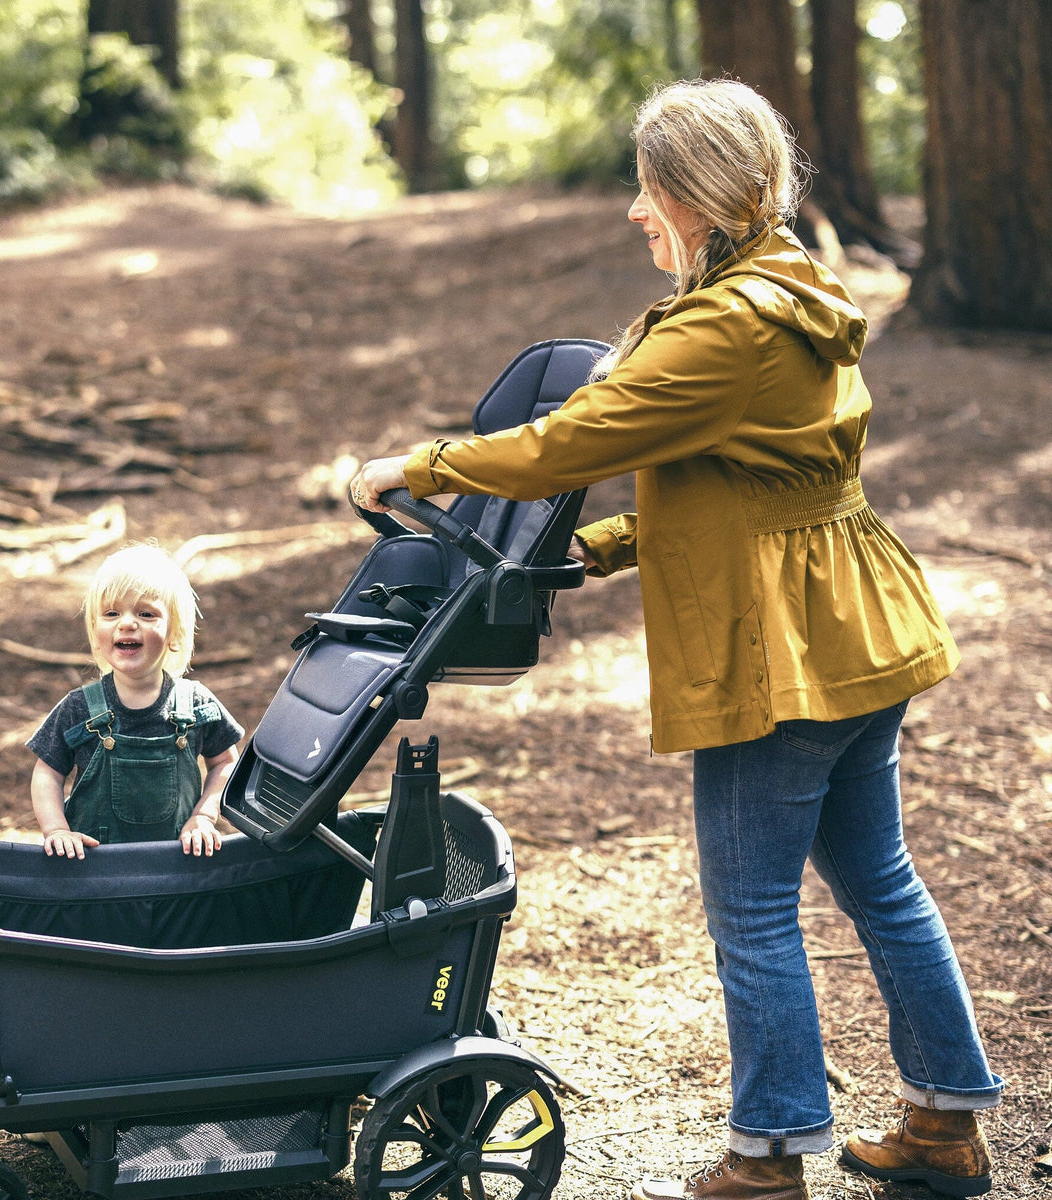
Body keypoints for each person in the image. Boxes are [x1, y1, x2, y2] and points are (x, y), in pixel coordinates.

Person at [350, 77, 1002, 1200]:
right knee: (879, 878)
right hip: (855, 624)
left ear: (694, 196)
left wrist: (418, 465)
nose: (634, 211)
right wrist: (605, 550)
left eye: (647, 189)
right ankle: (945, 1122)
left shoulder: (724, 326)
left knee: (753, 912)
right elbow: (750, 477)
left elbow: (570, 440)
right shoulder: (793, 285)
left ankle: (766, 1153)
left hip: (778, 652)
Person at [28, 542, 244, 859]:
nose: (127, 623)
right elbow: (47, 772)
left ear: (175, 633)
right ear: (95, 630)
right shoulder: (79, 707)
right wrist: (57, 829)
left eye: (146, 613)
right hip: (95, 874)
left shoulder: (194, 703)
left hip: (175, 871)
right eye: (112, 613)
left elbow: (226, 763)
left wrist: (203, 816)